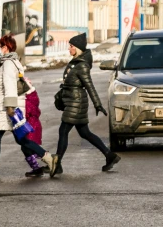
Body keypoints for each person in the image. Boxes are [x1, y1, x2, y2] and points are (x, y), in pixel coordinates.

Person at [0, 35, 56, 180]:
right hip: (10, 106)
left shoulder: (8, 64)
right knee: (22, 139)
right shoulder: (13, 62)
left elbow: (10, 86)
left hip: (8, 108)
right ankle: (48, 158)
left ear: (6, 47)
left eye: (0, 46)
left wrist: (10, 107)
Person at [51, 33, 120, 176]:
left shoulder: (81, 65)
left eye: (71, 46)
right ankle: (109, 155)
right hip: (73, 101)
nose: (69, 49)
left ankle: (57, 164)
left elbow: (89, 86)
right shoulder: (75, 62)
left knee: (63, 131)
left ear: (77, 48)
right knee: (85, 133)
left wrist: (98, 104)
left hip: (76, 103)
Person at [21, 75, 48, 177]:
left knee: (28, 147)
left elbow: (27, 111)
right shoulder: (33, 96)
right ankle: (37, 167)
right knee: (26, 147)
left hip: (31, 127)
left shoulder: (28, 99)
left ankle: (45, 161)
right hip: (32, 125)